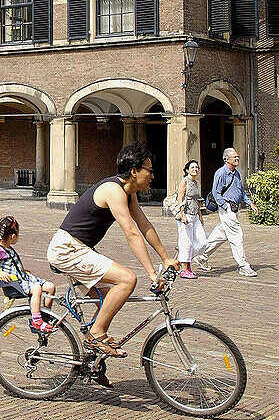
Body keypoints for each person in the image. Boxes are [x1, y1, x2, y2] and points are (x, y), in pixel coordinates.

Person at [46, 142, 179, 358]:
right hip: (67, 250)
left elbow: (144, 226)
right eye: (150, 171)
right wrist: (152, 274)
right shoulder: (113, 190)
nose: (153, 176)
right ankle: (96, 334)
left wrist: (165, 258)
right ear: (135, 171)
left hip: (80, 249)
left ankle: (92, 361)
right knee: (127, 280)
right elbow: (131, 232)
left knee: (107, 298)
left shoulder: (128, 192)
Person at [0, 215, 56, 333]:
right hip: (15, 284)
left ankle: (45, 315)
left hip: (23, 278)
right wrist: (0, 273)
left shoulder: (8, 248)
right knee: (36, 289)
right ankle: (37, 321)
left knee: (50, 287)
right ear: (13, 236)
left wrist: (23, 271)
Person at [195, 148, 258, 277]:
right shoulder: (221, 173)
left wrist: (250, 203)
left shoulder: (237, 174)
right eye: (235, 157)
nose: (237, 159)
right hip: (227, 209)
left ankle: (202, 255)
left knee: (221, 234)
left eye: (237, 156)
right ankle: (243, 265)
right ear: (226, 159)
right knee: (236, 236)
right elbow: (216, 192)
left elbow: (240, 191)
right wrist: (225, 206)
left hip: (235, 209)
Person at [173, 160, 207, 279]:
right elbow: (180, 199)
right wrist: (182, 215)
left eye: (196, 167)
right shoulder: (184, 182)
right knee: (186, 243)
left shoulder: (196, 183)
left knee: (203, 242)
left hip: (195, 215)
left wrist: (200, 216)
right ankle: (184, 268)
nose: (195, 169)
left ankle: (183, 260)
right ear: (187, 170)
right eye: (192, 167)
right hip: (186, 215)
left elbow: (197, 200)